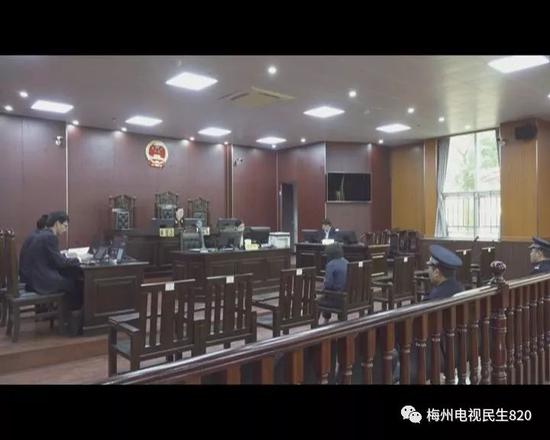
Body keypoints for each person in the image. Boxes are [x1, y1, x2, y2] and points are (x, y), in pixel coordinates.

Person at [26, 211, 83, 315]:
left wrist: (64, 258)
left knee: (70, 278)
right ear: (57, 223)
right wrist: (78, 259)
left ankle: (63, 313)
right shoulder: (50, 237)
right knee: (76, 284)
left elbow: (53, 258)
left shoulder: (42, 234)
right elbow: (60, 263)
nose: (66, 229)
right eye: (65, 226)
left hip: (34, 278)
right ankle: (72, 317)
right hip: (42, 281)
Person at [317, 243, 348, 322]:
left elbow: (328, 284)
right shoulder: (347, 262)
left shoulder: (331, 265)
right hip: (348, 297)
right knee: (328, 294)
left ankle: (319, 323)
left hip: (337, 299)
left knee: (318, 300)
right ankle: (340, 319)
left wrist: (323, 287)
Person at [19, 214, 49, 286]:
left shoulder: (34, 235)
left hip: (25, 275)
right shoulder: (41, 238)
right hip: (31, 279)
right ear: (46, 227)